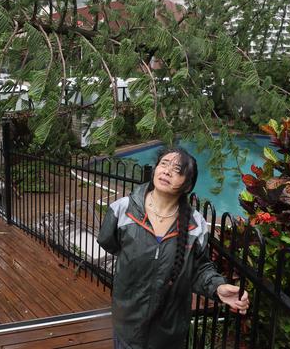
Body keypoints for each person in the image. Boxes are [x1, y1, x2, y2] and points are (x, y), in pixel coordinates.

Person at [97, 147, 250, 349]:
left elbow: (198, 268)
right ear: (155, 170)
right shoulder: (122, 210)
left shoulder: (195, 224)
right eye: (164, 164)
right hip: (127, 320)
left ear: (187, 186)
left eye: (177, 169)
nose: (167, 171)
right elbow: (110, 243)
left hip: (169, 329)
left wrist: (218, 287)